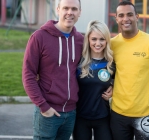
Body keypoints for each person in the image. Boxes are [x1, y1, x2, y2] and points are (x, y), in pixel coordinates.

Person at [110, 1, 149, 140]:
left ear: (137, 17)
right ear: (116, 19)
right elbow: (111, 73)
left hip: (145, 114)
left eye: (129, 15)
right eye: (121, 15)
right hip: (117, 114)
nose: (125, 19)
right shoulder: (112, 44)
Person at [22, 0, 83, 139]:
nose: (70, 12)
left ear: (80, 12)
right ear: (58, 9)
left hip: (71, 112)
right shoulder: (39, 37)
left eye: (74, 9)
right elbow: (28, 75)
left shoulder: (80, 40)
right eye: (65, 8)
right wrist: (43, 106)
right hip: (48, 112)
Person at [73, 20, 115, 140]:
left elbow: (121, 82)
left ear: (107, 40)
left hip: (103, 117)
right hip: (81, 117)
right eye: (94, 39)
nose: (98, 43)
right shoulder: (79, 62)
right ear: (88, 40)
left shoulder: (111, 63)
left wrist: (113, 87)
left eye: (102, 39)